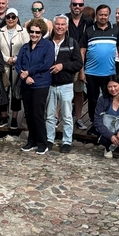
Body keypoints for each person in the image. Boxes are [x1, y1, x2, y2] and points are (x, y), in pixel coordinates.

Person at [79, 4, 119, 136]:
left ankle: (107, 125)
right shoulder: (89, 30)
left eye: (105, 14)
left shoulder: (115, 30)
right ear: (96, 15)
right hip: (91, 72)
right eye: (100, 14)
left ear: (108, 15)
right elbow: (82, 51)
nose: (103, 17)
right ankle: (94, 124)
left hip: (109, 73)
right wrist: (81, 71)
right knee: (92, 100)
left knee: (108, 100)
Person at [16, 18, 55, 154]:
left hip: (41, 84)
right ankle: (31, 141)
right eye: (32, 31)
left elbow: (46, 64)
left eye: (37, 32)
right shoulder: (25, 47)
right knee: (28, 113)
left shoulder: (48, 45)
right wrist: (25, 76)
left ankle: (42, 143)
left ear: (42, 32)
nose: (34, 34)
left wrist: (29, 72)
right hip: (26, 84)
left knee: (38, 114)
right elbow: (18, 63)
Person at [45, 14, 83, 153]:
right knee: (49, 115)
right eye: (57, 24)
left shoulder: (72, 43)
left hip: (66, 84)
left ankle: (67, 141)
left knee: (67, 115)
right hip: (49, 84)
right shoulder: (47, 42)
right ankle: (49, 139)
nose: (60, 27)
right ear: (53, 26)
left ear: (66, 27)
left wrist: (63, 66)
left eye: (62, 25)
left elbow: (78, 63)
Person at [0, 7, 29, 129]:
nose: (10, 19)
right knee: (2, 93)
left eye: (13, 17)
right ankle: (4, 116)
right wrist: (6, 59)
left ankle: (14, 118)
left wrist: (15, 59)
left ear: (17, 18)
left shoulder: (23, 31)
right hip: (4, 67)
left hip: (17, 67)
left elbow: (26, 48)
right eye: (8, 17)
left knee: (16, 93)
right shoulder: (0, 32)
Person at [66, 0, 94, 129]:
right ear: (70, 5)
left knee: (79, 91)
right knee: (62, 90)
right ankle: (55, 117)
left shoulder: (88, 22)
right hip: (65, 60)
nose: (77, 7)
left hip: (82, 61)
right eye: (75, 4)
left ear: (83, 6)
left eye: (80, 4)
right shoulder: (64, 20)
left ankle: (78, 118)